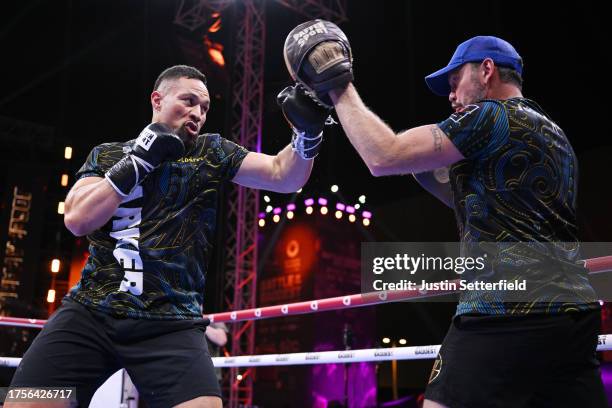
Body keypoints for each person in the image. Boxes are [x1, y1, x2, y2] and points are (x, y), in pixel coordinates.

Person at [283, 21, 607, 408]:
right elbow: (455, 192)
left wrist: (336, 86)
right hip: (574, 314)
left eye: (456, 81)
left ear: (486, 70)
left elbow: (384, 156)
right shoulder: (553, 135)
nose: (451, 95)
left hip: (506, 307)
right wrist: (404, 146)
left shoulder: (491, 116)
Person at [7, 65, 330, 408]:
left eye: (204, 108)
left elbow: (283, 175)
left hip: (171, 322)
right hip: (92, 313)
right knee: (25, 403)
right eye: (188, 101)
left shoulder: (211, 152)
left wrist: (307, 134)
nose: (197, 113)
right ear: (157, 100)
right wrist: (139, 162)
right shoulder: (108, 155)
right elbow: (76, 219)